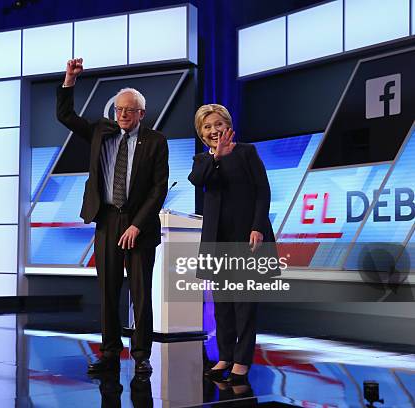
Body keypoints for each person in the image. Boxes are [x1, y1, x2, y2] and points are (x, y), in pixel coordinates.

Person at [57, 58, 169, 374]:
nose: (122, 115)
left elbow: (158, 189)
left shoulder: (156, 141)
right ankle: (109, 353)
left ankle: (142, 355)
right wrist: (69, 80)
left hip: (139, 224)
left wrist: (137, 224)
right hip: (106, 220)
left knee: (140, 292)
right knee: (107, 290)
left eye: (129, 110)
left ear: (141, 114)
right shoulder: (100, 132)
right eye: (118, 109)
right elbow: (65, 115)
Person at [187, 104, 276, 384]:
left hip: (246, 237)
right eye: (207, 127)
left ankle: (242, 360)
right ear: (201, 133)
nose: (214, 131)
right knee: (222, 304)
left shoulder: (247, 152)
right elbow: (198, 181)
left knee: (244, 304)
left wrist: (257, 227)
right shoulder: (202, 160)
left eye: (217, 125)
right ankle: (224, 356)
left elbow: (263, 191)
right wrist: (216, 158)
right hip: (217, 239)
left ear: (228, 125)